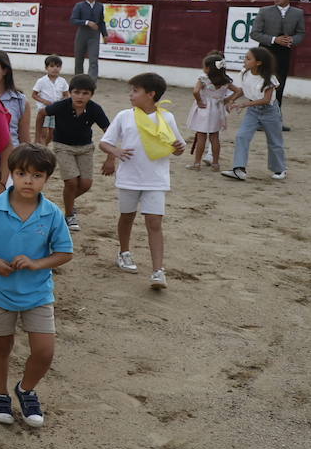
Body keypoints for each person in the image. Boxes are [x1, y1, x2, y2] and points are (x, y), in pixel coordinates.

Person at [0, 144, 73, 429]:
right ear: (11, 173)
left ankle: (25, 389)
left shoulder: (51, 213)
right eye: (21, 173)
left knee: (44, 351)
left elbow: (64, 252)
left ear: (47, 178)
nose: (28, 180)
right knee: (1, 345)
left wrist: (37, 264)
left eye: (37, 175)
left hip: (38, 292)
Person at [99, 73, 185, 288]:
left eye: (135, 91)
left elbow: (177, 148)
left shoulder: (167, 118)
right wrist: (116, 151)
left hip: (155, 180)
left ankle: (158, 270)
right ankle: (124, 252)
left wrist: (178, 148)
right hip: (129, 179)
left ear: (151, 94)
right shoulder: (124, 116)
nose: (131, 95)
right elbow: (105, 142)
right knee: (126, 216)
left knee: (154, 223)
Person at [44, 75, 110, 231]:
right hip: (62, 146)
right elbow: (42, 114)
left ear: (91, 95)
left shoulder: (95, 109)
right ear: (70, 92)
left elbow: (109, 131)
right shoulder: (61, 105)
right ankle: (69, 215)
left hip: (85, 148)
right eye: (77, 92)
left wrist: (110, 158)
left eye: (85, 93)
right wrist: (38, 138)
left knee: (86, 184)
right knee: (72, 182)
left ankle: (68, 205)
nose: (80, 96)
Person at [221, 47, 287, 182]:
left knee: (274, 140)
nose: (244, 61)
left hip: (270, 111)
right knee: (241, 136)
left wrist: (243, 104)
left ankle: (279, 169)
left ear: (259, 62)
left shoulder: (269, 78)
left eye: (248, 58)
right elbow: (243, 90)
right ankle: (239, 169)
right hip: (253, 111)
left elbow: (266, 100)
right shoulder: (245, 73)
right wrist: (232, 100)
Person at [250, 0, 304, 129]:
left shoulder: (297, 13)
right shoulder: (264, 11)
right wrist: (274, 39)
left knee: (278, 86)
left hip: (284, 53)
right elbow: (254, 33)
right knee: (261, 85)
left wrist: (292, 40)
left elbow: (300, 33)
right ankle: (258, 120)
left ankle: (275, 121)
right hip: (265, 52)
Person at [185, 52, 233, 171]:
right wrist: (226, 100)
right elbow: (239, 91)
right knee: (214, 137)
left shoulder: (203, 79)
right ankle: (216, 164)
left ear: (208, 68)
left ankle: (197, 164)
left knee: (201, 136)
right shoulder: (225, 80)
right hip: (217, 109)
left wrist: (199, 101)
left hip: (204, 109)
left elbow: (196, 91)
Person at [30, 55, 67, 145]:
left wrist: (60, 103)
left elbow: (66, 95)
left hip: (56, 110)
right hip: (44, 110)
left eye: (58, 66)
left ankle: (44, 146)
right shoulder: (41, 81)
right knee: (43, 132)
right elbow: (34, 95)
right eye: (52, 66)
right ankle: (42, 147)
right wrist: (44, 101)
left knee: (52, 134)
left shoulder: (62, 81)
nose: (55, 69)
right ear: (46, 68)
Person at [70, 0, 105, 78]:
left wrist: (105, 34)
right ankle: (78, 80)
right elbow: (73, 20)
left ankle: (92, 83)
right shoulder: (79, 5)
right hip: (82, 33)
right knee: (79, 59)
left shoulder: (100, 6)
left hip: (94, 34)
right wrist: (87, 22)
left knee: (93, 59)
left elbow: (101, 21)